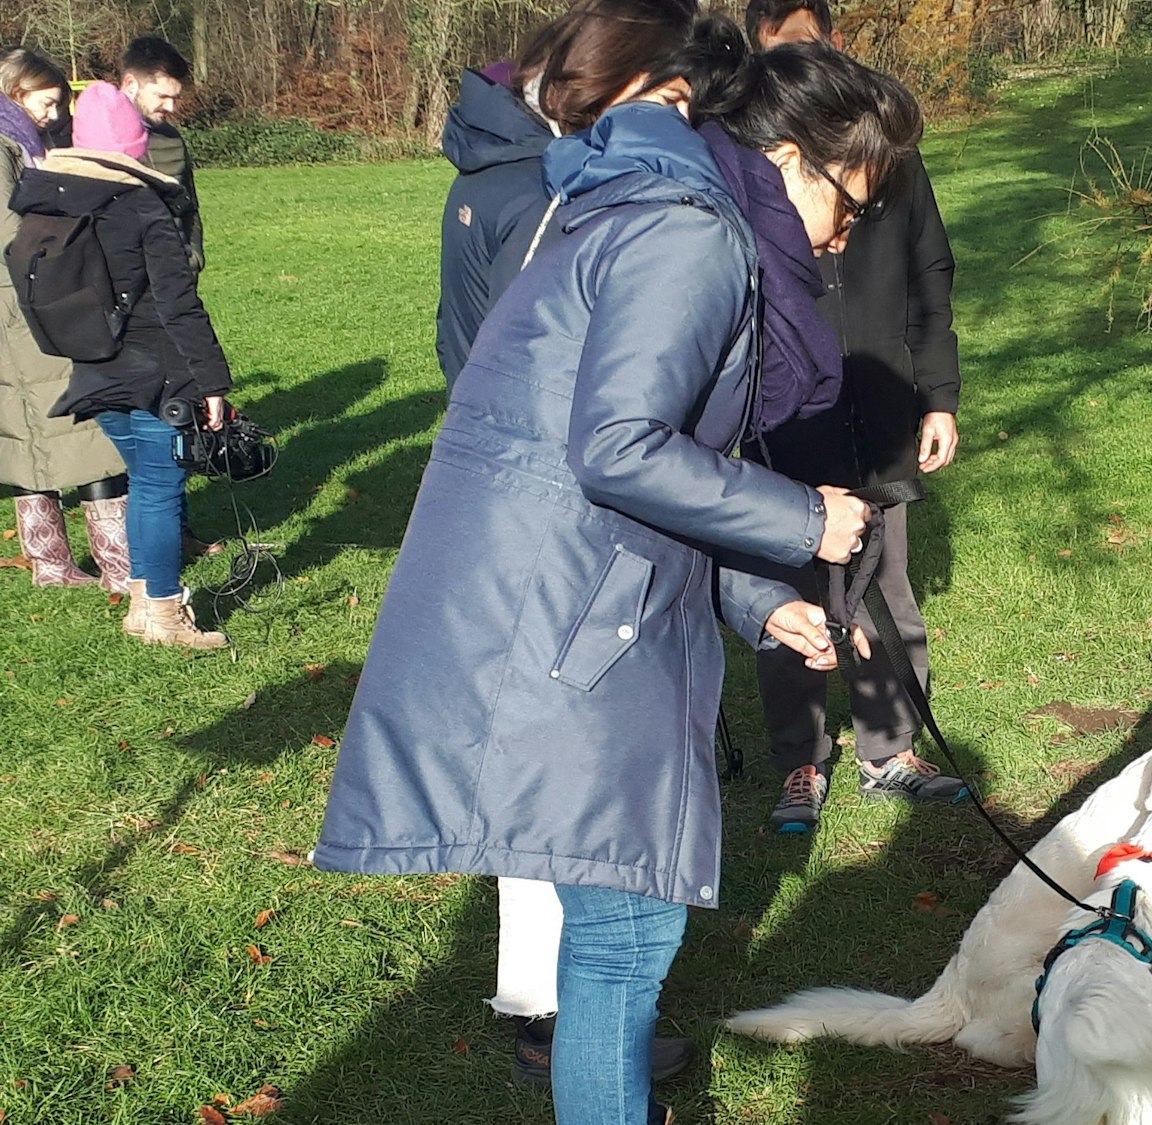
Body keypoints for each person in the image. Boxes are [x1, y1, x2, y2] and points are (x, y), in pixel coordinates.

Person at [313, 24, 923, 1125]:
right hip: (571, 630)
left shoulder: (643, 211)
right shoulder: (686, 234)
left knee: (614, 934)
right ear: (790, 160)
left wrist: (760, 599)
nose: (844, 241)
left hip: (580, 606)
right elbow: (620, 450)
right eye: (856, 203)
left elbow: (638, 468)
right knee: (625, 938)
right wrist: (803, 517)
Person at [434, 0, 712, 1091]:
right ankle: (552, 1015)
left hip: (512, 498)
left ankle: (550, 1007)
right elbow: (594, 404)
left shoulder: (508, 181)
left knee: (543, 807)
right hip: (559, 529)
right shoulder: (566, 196)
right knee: (569, 826)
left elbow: (472, 345)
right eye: (684, 99)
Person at [744, 0, 969, 832]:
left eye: (808, 50)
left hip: (877, 406)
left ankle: (892, 747)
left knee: (885, 588)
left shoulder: (889, 153)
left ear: (832, 43)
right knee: (788, 596)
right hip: (779, 422)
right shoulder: (747, 160)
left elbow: (931, 276)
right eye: (778, 57)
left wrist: (937, 395)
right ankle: (799, 761)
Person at [11, 82, 230, 648]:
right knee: (161, 487)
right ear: (133, 145)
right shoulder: (140, 205)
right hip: (157, 369)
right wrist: (212, 382)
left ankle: (140, 600)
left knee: (143, 483)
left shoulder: (47, 200)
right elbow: (179, 302)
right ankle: (163, 613)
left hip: (90, 367)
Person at [436, 0, 700, 386]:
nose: (682, 122)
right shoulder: (546, 188)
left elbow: (454, 324)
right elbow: (531, 359)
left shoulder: (495, 148)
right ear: (612, 71)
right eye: (667, 100)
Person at [1, 48, 131, 590]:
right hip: (25, 297)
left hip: (35, 292)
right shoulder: (7, 145)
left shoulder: (28, 141)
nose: (54, 115)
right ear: (16, 92)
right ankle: (112, 564)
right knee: (69, 422)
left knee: (33, 422)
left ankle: (51, 562)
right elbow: (12, 228)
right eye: (46, 103)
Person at [119, 38, 201, 270]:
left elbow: (189, 207)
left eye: (174, 98)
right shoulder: (88, 137)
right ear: (130, 84)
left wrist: (192, 259)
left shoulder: (171, 139)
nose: (170, 107)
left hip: (174, 280)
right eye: (161, 96)